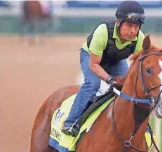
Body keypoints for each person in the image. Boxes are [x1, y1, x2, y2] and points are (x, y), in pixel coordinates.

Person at [62, 0, 146, 136]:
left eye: (137, 27)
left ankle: (135, 125)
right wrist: (110, 79)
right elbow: (94, 65)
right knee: (92, 85)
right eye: (129, 25)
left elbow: (137, 66)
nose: (133, 31)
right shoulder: (103, 32)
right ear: (118, 22)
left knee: (128, 87)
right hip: (91, 58)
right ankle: (70, 122)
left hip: (115, 60)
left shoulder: (139, 39)